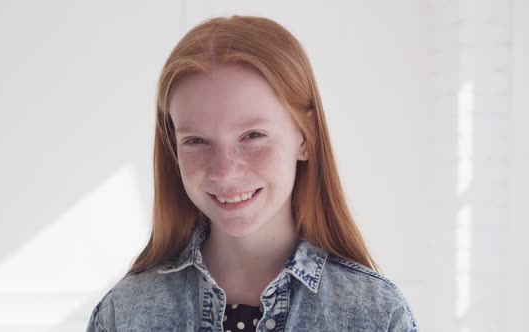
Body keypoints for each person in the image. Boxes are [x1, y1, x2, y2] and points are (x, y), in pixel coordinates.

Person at [86, 15, 417, 332]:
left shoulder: (377, 316)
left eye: (253, 136)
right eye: (196, 141)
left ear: (306, 136)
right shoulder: (122, 314)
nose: (225, 172)